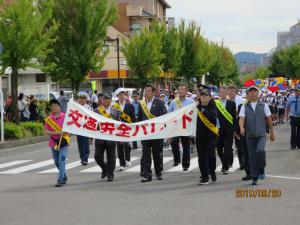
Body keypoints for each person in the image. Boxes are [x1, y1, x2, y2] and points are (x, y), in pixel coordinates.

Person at [239, 86, 275, 185]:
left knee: (260, 150)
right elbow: (241, 118)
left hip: (261, 134)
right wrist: (241, 127)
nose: (253, 93)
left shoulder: (264, 105)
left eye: (255, 91)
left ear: (258, 93)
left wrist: (272, 132)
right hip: (250, 135)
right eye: (250, 91)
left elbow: (269, 119)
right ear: (248, 94)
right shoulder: (244, 106)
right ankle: (255, 177)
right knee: (252, 157)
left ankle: (261, 168)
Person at [138, 85, 166, 182]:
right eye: (145, 91)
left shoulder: (159, 103)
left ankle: (158, 173)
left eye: (148, 91)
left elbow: (163, 117)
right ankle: (147, 175)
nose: (146, 93)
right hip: (145, 133)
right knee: (145, 154)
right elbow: (140, 118)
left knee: (157, 154)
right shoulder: (141, 103)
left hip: (157, 133)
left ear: (154, 92)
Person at [44, 99, 71, 187]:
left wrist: (65, 132)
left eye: (56, 105)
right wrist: (57, 133)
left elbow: (69, 129)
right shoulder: (49, 119)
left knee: (62, 159)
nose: (54, 107)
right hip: (53, 142)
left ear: (59, 107)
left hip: (64, 141)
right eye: (52, 106)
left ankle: (60, 179)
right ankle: (64, 176)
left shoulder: (65, 116)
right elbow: (46, 131)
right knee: (56, 161)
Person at [94, 93, 120, 182]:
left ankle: (110, 174)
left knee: (111, 158)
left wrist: (120, 137)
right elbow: (93, 124)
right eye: (104, 99)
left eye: (107, 99)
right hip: (100, 138)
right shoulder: (96, 111)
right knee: (97, 157)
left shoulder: (116, 111)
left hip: (111, 138)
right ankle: (104, 168)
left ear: (110, 100)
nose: (105, 100)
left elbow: (119, 125)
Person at [168, 84, 194, 171]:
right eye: (179, 90)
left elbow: (194, 114)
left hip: (186, 126)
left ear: (186, 91)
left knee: (186, 145)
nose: (180, 91)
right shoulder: (174, 102)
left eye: (182, 90)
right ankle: (177, 159)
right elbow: (169, 114)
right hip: (175, 126)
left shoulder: (190, 101)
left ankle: (186, 164)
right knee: (174, 142)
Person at [196, 85, 218, 185]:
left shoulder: (212, 106)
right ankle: (205, 176)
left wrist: (202, 110)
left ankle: (212, 171)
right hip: (200, 136)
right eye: (202, 95)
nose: (204, 97)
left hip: (211, 136)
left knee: (210, 156)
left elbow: (212, 117)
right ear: (199, 97)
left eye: (206, 95)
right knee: (201, 157)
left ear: (210, 97)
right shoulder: (195, 107)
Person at [113, 88, 135, 171]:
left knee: (126, 145)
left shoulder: (130, 105)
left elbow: (132, 117)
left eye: (123, 94)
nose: (121, 96)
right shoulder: (114, 106)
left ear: (125, 95)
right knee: (119, 146)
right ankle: (122, 164)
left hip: (127, 128)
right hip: (118, 128)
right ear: (117, 96)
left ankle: (128, 158)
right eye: (120, 94)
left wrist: (133, 126)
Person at [215, 86, 236, 175]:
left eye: (224, 92)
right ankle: (225, 163)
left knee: (228, 149)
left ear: (227, 93)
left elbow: (234, 118)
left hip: (229, 130)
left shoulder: (231, 103)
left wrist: (234, 130)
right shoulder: (215, 103)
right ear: (218, 93)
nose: (222, 93)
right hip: (219, 130)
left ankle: (225, 167)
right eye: (221, 92)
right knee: (219, 148)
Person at [77, 92, 93, 165]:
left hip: (86, 128)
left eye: (83, 98)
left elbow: (92, 119)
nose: (82, 100)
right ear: (79, 99)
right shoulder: (76, 107)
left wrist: (92, 136)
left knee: (85, 144)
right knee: (80, 144)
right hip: (79, 128)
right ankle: (82, 158)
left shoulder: (89, 107)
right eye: (81, 98)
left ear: (86, 99)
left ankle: (85, 159)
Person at [285, 84, 300, 150]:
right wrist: (286, 115)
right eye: (296, 91)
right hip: (293, 116)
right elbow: (287, 107)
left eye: (298, 91)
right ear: (294, 91)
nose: (297, 92)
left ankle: (299, 145)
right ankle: (293, 145)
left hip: (299, 117)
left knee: (299, 131)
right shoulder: (290, 98)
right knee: (293, 131)